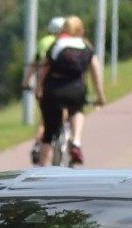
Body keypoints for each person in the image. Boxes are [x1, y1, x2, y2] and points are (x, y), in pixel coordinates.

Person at [35, 15, 106, 167]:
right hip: (76, 90)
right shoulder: (86, 47)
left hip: (53, 90)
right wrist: (100, 96)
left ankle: (43, 174)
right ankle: (76, 141)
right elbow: (95, 75)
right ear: (80, 31)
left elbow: (43, 71)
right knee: (77, 110)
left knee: (48, 133)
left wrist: (38, 90)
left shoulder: (56, 45)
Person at [22, 16, 66, 165]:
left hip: (45, 86)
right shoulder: (66, 42)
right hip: (64, 84)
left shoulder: (44, 42)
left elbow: (35, 63)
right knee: (64, 112)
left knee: (45, 119)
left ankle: (37, 144)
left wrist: (26, 82)